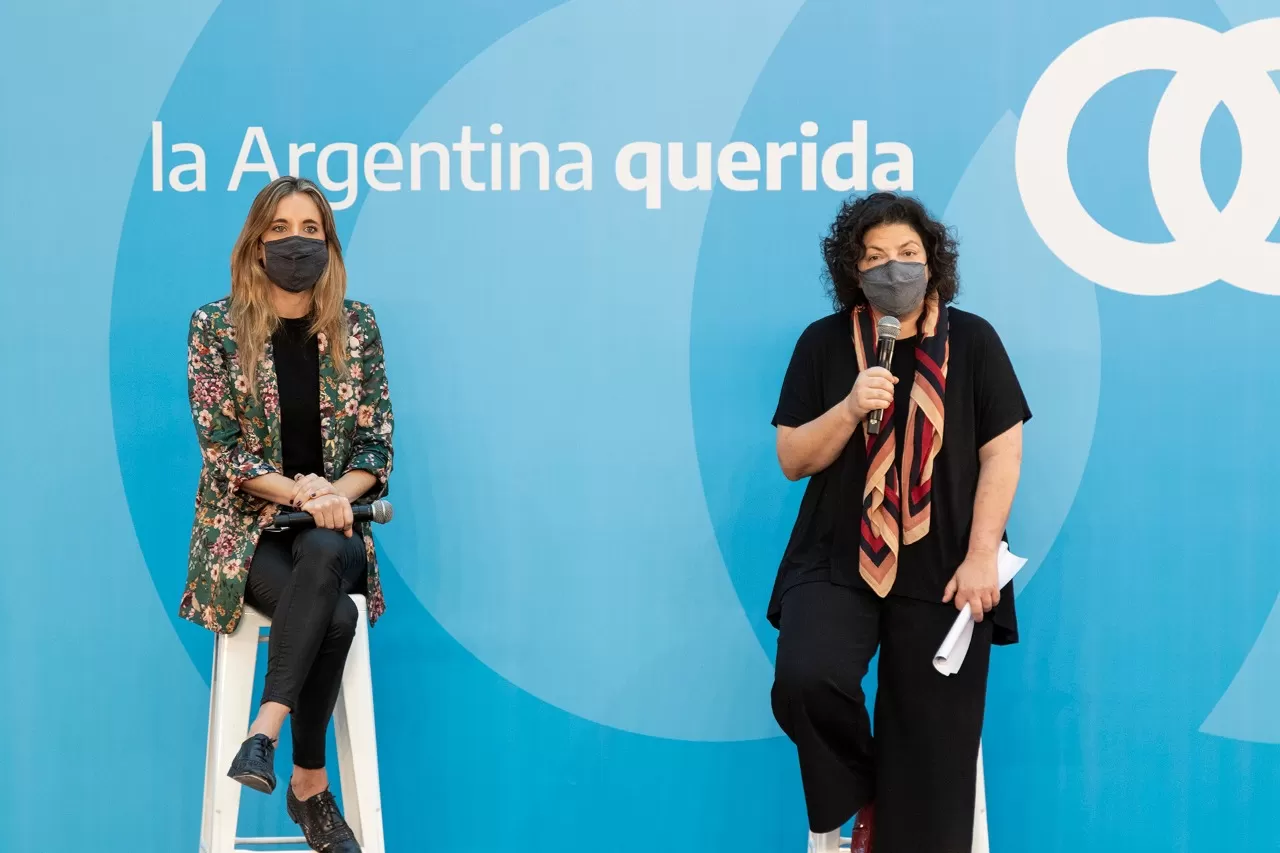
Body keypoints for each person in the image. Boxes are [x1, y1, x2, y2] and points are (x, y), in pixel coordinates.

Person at [768, 192, 1029, 852]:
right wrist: (851, 405)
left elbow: (1001, 451)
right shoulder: (825, 343)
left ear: (933, 263)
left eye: (909, 255)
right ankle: (867, 793)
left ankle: (902, 813)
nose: (895, 268)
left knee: (934, 753)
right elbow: (793, 457)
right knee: (807, 677)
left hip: (946, 564)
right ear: (852, 271)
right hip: (837, 554)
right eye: (876, 257)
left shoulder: (973, 340)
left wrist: (980, 556)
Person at [181, 175, 394, 853]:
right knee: (332, 607)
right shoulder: (215, 327)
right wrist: (304, 492)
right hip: (246, 538)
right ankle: (309, 784)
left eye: (309, 230)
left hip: (333, 528)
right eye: (279, 230)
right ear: (255, 242)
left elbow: (375, 446)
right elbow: (223, 449)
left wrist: (335, 493)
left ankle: (263, 732)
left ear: (327, 243)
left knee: (330, 552)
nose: (294, 243)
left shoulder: (356, 327)